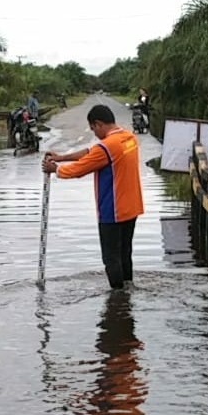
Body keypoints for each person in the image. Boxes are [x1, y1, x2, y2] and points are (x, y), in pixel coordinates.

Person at [42, 104, 144, 289]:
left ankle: (117, 298)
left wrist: (55, 169)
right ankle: (128, 290)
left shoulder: (107, 146)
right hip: (131, 207)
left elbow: (79, 170)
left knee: (111, 258)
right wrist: (62, 157)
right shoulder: (129, 138)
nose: (93, 133)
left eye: (92, 128)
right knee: (124, 254)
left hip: (112, 210)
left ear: (98, 124)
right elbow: (91, 153)